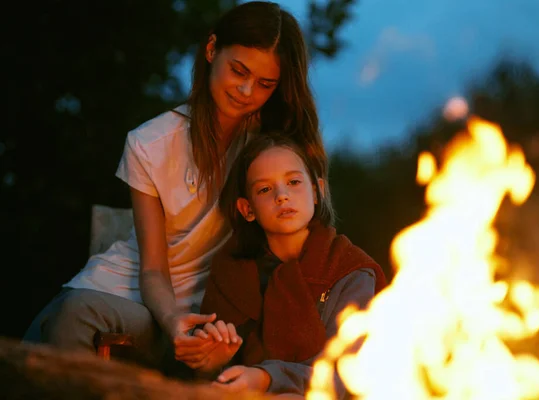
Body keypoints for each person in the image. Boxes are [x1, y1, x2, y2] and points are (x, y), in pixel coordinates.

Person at [23, 1, 328, 373]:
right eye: (239, 71)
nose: (247, 90)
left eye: (265, 84)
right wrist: (172, 322)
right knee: (71, 314)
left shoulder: (269, 152)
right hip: (139, 302)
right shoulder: (150, 142)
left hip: (218, 311)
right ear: (212, 49)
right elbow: (152, 269)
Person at [184, 134, 387, 396]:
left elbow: (349, 370)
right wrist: (214, 362)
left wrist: (268, 378)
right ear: (247, 209)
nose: (282, 196)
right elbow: (207, 374)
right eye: (265, 189)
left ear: (317, 191)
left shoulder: (350, 270)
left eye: (293, 182)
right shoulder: (231, 272)